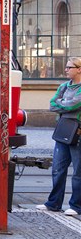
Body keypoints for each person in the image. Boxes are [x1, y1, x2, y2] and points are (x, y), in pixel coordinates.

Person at [36, 57, 81, 216]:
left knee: (78, 172)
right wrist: (65, 105)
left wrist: (63, 105)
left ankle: (76, 206)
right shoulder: (63, 86)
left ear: (79, 69)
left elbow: (75, 104)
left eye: (69, 67)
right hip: (63, 130)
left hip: (77, 132)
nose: (66, 70)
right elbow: (52, 104)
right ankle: (53, 203)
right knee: (58, 169)